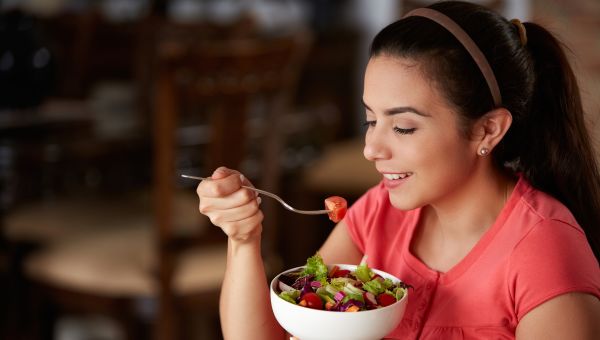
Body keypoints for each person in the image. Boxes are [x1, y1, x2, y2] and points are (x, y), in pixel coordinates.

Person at [195, 1, 600, 339]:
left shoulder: (544, 251)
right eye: (372, 120)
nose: (371, 149)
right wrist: (244, 239)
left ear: (487, 129)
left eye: (403, 126)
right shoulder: (378, 212)